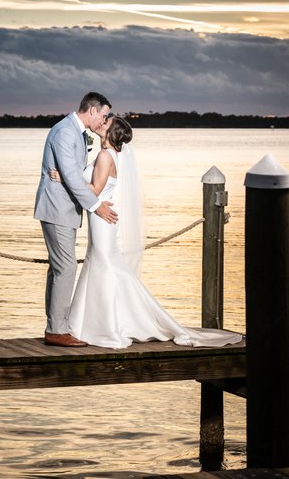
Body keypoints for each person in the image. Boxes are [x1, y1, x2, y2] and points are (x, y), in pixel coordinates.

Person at [51, 115, 243, 349]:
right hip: (102, 217)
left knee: (104, 264)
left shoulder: (104, 155)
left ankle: (107, 325)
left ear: (112, 133)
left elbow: (93, 190)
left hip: (102, 218)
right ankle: (102, 321)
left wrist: (63, 179)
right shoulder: (113, 155)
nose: (101, 123)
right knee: (105, 263)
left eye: (106, 123)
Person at [34, 92, 118, 347]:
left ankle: (55, 326)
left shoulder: (75, 131)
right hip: (57, 208)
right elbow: (71, 176)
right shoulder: (66, 132)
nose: (104, 120)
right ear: (92, 110)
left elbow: (71, 174)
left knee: (59, 268)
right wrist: (96, 206)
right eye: (103, 115)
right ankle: (57, 330)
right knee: (66, 267)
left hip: (64, 209)